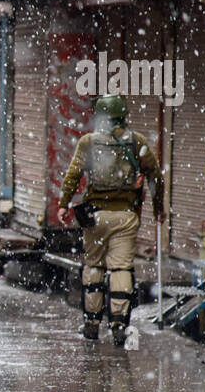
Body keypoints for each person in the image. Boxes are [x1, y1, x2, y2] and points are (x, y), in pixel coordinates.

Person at [58, 93, 164, 346]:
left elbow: (72, 176)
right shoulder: (137, 142)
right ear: (123, 116)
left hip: (95, 216)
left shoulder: (88, 142)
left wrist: (63, 205)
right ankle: (118, 324)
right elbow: (156, 176)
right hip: (125, 216)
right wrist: (159, 208)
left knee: (94, 265)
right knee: (121, 268)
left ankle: (92, 323)